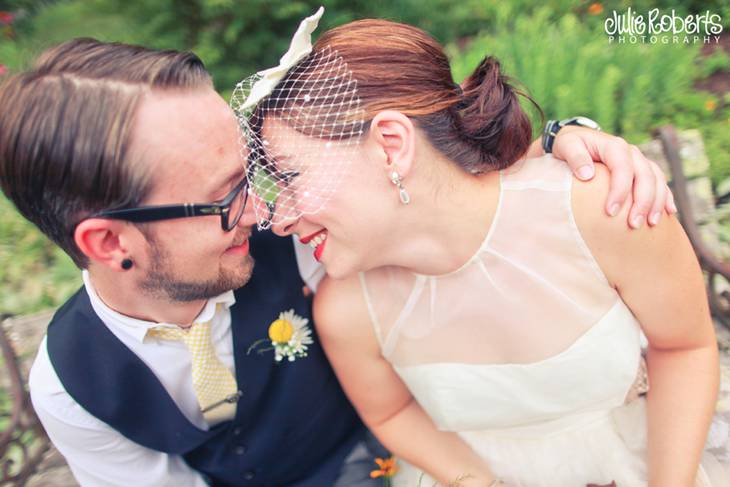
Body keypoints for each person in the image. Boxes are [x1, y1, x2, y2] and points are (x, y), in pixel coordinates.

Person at [0, 26, 672, 487]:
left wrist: (562, 144)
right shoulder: (69, 388)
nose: (266, 210)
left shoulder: (306, 237)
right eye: (224, 197)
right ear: (109, 242)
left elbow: (430, 190)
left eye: (253, 174)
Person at [235, 14, 729, 487]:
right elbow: (391, 413)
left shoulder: (602, 207)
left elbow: (683, 347)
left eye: (291, 177)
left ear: (390, 143)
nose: (278, 219)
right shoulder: (346, 311)